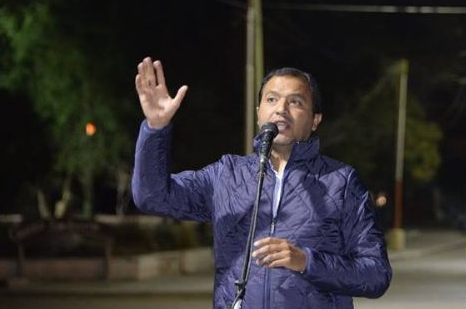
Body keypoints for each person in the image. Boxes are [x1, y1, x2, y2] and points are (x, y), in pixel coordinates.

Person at [132, 57, 392, 309]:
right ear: (258, 114)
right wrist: (156, 129)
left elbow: (376, 274)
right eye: (271, 99)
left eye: (295, 101)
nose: (281, 109)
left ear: (315, 120)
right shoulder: (226, 174)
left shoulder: (341, 182)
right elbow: (152, 197)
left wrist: (306, 261)